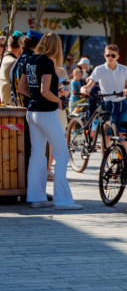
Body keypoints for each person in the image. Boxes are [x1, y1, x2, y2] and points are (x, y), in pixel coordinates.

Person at [20, 33, 82, 210]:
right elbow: (45, 90)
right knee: (62, 154)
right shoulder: (47, 62)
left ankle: (36, 197)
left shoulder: (29, 60)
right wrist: (57, 101)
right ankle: (63, 200)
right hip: (46, 112)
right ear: (56, 46)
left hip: (32, 111)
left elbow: (22, 88)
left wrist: (36, 98)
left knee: (37, 154)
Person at [84, 44, 127, 140]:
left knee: (123, 133)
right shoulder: (99, 69)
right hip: (108, 104)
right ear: (104, 56)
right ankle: (105, 154)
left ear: (118, 57)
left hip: (122, 103)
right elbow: (89, 85)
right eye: (108, 55)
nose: (110, 58)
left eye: (113, 55)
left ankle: (123, 154)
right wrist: (84, 89)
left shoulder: (124, 69)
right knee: (107, 134)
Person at [0, 32, 23, 105]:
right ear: (20, 47)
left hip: (5, 105)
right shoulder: (14, 62)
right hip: (13, 108)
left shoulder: (4, 59)